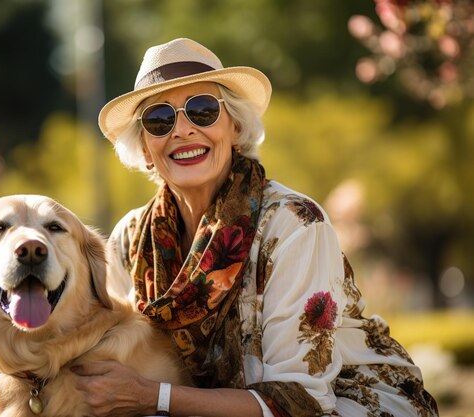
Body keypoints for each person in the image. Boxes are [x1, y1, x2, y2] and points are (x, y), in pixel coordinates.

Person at [72, 38, 439, 417]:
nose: (181, 130)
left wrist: (154, 397)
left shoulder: (294, 224)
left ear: (235, 128)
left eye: (202, 110)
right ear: (146, 149)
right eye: (160, 120)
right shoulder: (129, 239)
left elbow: (303, 401)